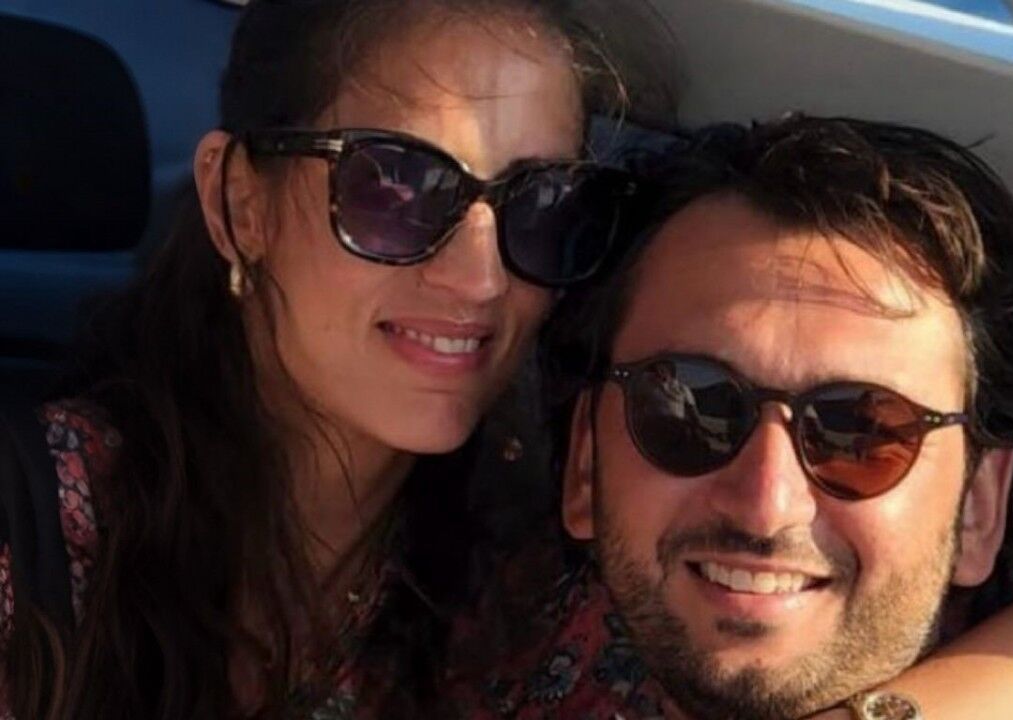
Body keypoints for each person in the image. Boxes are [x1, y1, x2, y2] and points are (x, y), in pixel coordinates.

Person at [445, 115, 1013, 719]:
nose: (766, 502)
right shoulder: (481, 620)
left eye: (863, 431)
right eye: (688, 407)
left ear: (978, 507)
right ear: (586, 463)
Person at [0, 0, 645, 717]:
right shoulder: (37, 534)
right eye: (395, 185)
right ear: (239, 203)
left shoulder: (526, 606)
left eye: (545, 204)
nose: (481, 279)